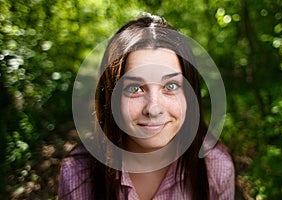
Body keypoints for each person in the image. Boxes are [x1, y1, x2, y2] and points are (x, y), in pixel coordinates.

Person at [58, 14, 235, 200]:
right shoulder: (77, 174)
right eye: (135, 89)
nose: (153, 109)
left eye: (170, 86)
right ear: (111, 97)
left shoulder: (216, 169)